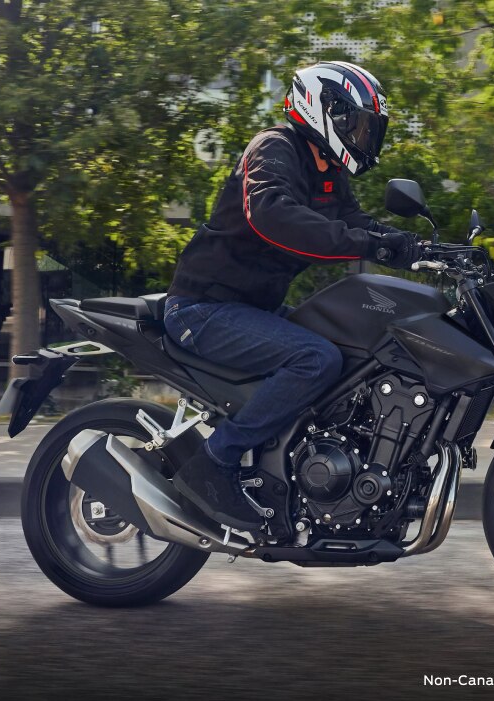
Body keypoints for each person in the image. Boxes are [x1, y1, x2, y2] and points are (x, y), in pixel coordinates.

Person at [164, 61, 419, 531]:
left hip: (250, 310)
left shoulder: (328, 172)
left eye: (369, 128)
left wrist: (413, 247)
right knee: (316, 358)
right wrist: (367, 243)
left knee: (353, 353)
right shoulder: (273, 149)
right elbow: (272, 215)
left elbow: (356, 224)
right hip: (203, 309)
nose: (365, 136)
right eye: (358, 125)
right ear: (326, 112)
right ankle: (215, 460)